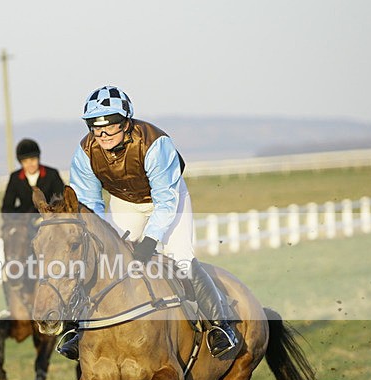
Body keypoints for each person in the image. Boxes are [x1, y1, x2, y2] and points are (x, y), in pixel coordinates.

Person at [57, 85, 239, 360]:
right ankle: (78, 328)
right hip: (126, 201)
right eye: (95, 127)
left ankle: (220, 326)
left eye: (110, 127)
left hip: (167, 199)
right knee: (103, 259)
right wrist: (96, 234)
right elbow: (89, 202)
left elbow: (165, 201)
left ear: (126, 123)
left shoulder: (155, 143)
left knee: (180, 259)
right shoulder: (84, 152)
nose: (102, 134)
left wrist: (151, 239)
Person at [1, 139, 65, 215]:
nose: (30, 164)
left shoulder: (52, 174)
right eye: (25, 161)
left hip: (48, 218)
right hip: (24, 221)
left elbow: (61, 201)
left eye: (33, 160)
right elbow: (7, 208)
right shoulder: (15, 178)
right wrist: (20, 219)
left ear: (38, 158)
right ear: (21, 162)